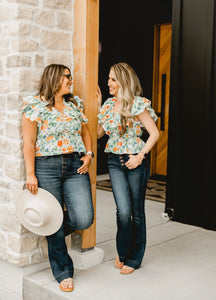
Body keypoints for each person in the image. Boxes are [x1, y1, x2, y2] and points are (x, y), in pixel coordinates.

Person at [22, 64, 94, 292]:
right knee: (52, 219)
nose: (70, 80)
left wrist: (89, 154)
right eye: (67, 77)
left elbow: (85, 132)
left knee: (84, 218)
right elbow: (29, 143)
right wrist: (31, 173)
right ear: (54, 78)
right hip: (46, 166)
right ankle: (63, 270)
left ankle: (53, 225)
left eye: (71, 77)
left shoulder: (75, 104)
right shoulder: (34, 106)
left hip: (75, 165)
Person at [97, 62, 159, 275]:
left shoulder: (138, 104)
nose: (108, 83)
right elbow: (98, 134)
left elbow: (154, 133)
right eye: (108, 79)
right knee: (123, 212)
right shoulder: (108, 104)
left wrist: (140, 156)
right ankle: (122, 251)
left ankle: (133, 257)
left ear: (123, 81)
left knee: (136, 212)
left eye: (112, 79)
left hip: (135, 160)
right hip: (114, 160)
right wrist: (98, 107)